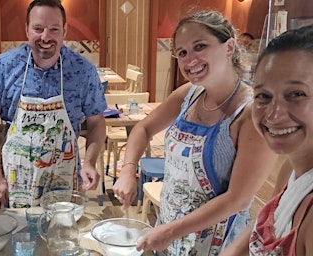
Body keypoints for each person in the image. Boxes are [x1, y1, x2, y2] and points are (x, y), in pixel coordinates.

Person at [112, 10, 277, 255]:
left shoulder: (250, 114)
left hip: (216, 243)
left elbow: (237, 200)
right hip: (169, 230)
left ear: (229, 47)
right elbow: (143, 128)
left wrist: (170, 231)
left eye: (200, 46)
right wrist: (128, 169)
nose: (190, 61)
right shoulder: (189, 94)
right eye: (182, 53)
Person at [0, 0, 106, 208]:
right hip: (15, 181)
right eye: (38, 29)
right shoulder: (4, 66)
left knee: (62, 238)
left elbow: (97, 123)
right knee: (19, 238)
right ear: (26, 30)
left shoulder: (83, 71)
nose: (45, 37)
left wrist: (90, 161)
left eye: (54, 29)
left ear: (64, 31)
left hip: (65, 181)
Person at [221, 24, 313, 256]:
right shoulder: (292, 167)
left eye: (296, 94)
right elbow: (263, 226)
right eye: (263, 96)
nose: (273, 114)